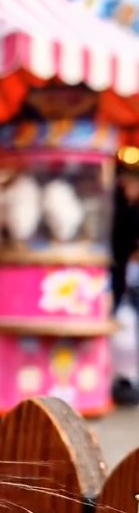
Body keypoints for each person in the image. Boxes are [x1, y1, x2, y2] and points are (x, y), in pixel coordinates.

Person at [110, 162, 139, 405]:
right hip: (122, 272)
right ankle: (126, 378)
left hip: (125, 272)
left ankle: (129, 379)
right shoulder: (123, 207)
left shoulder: (128, 209)